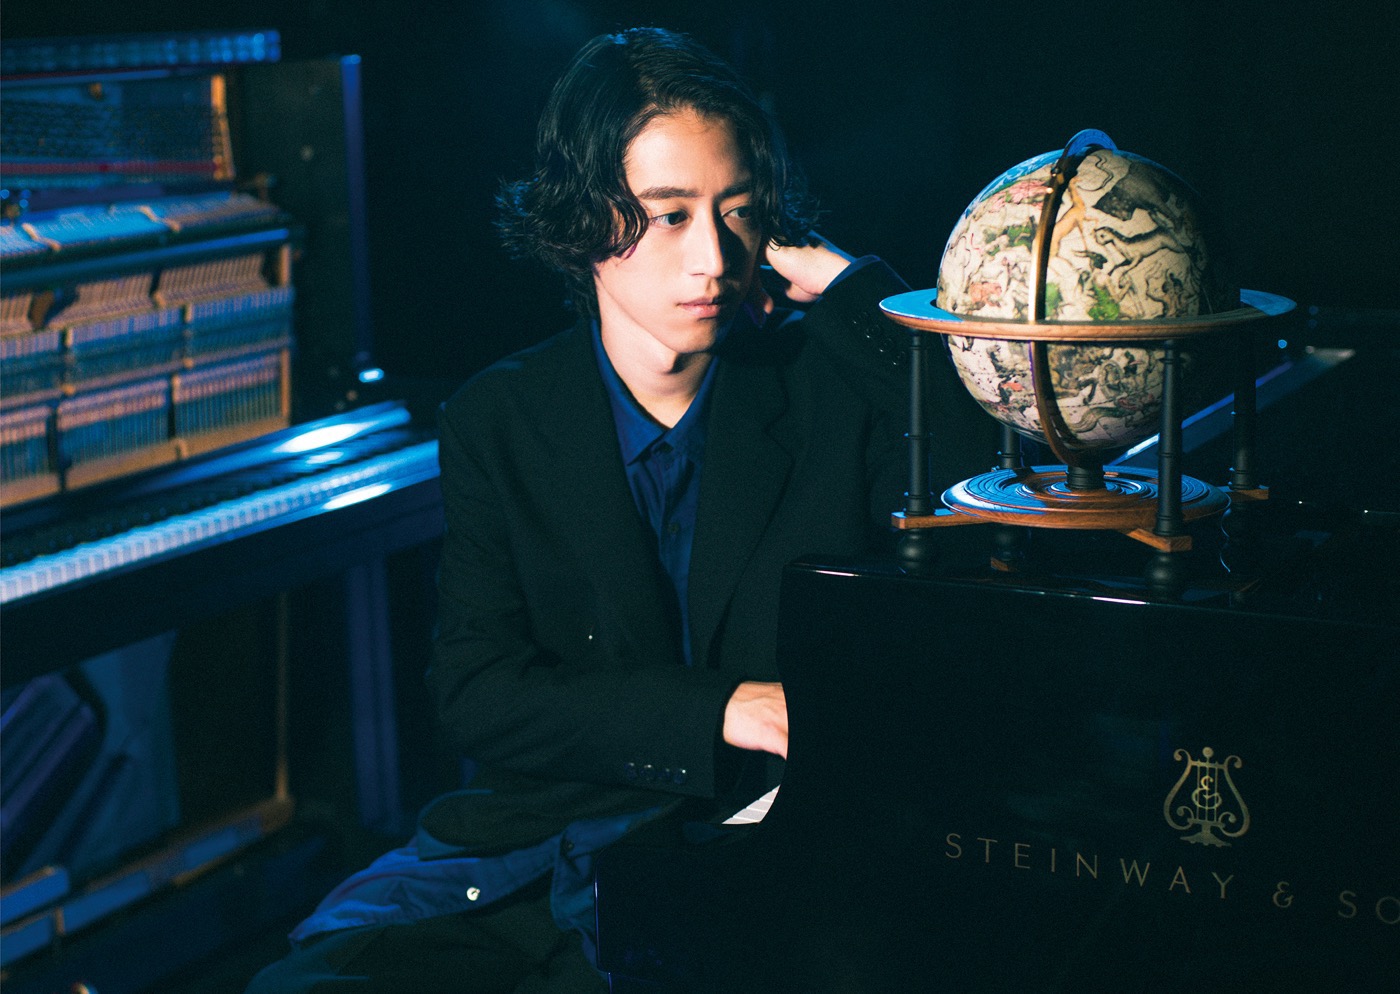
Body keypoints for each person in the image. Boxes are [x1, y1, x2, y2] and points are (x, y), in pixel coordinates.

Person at [248, 25, 984, 993]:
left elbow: (985, 455)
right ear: (583, 221)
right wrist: (723, 708)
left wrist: (845, 285)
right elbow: (478, 693)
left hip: (755, 849)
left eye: (738, 212)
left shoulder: (827, 394)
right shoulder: (500, 418)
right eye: (669, 215)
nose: (712, 257)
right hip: (536, 848)